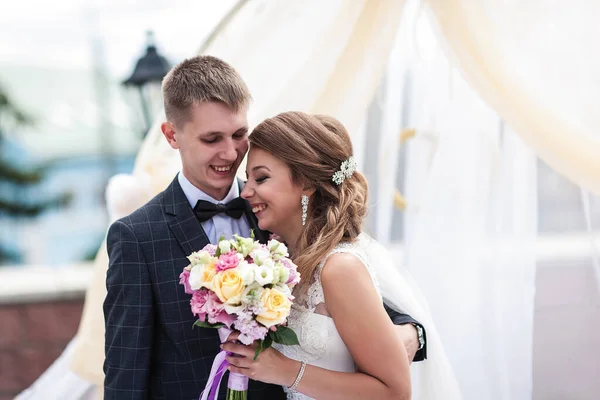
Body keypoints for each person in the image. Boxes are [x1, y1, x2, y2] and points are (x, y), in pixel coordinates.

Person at [103, 56, 426, 400]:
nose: (230, 153)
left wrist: (412, 332)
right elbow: (126, 375)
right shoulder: (137, 237)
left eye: (239, 134)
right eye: (212, 139)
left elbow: (364, 300)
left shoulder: (278, 211)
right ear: (172, 135)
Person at [221, 111, 461, 399]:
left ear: (307, 184)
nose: (245, 192)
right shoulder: (282, 261)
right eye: (247, 179)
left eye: (261, 178)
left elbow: (394, 392)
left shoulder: (339, 268)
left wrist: (284, 370)